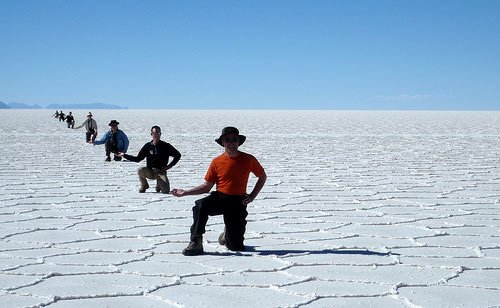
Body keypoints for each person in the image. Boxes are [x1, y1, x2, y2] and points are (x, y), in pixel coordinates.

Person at [171, 126, 267, 256]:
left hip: (238, 202)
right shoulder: (217, 162)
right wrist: (186, 192)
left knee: (236, 246)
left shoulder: (249, 159)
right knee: (200, 205)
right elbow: (206, 186)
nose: (231, 143)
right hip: (220, 198)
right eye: (227, 140)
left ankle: (228, 234)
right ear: (222, 142)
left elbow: (262, 177)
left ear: (239, 141)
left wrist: (252, 195)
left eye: (234, 139)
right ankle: (196, 242)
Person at [117, 126, 181, 194]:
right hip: (150, 171)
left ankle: (159, 184)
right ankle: (144, 185)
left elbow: (178, 155)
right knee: (140, 170)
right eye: (154, 133)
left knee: (165, 191)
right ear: (151, 134)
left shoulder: (166, 146)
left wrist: (170, 165)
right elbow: (138, 159)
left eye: (157, 133)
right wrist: (124, 155)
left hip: (161, 172)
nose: (156, 135)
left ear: (160, 134)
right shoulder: (148, 146)